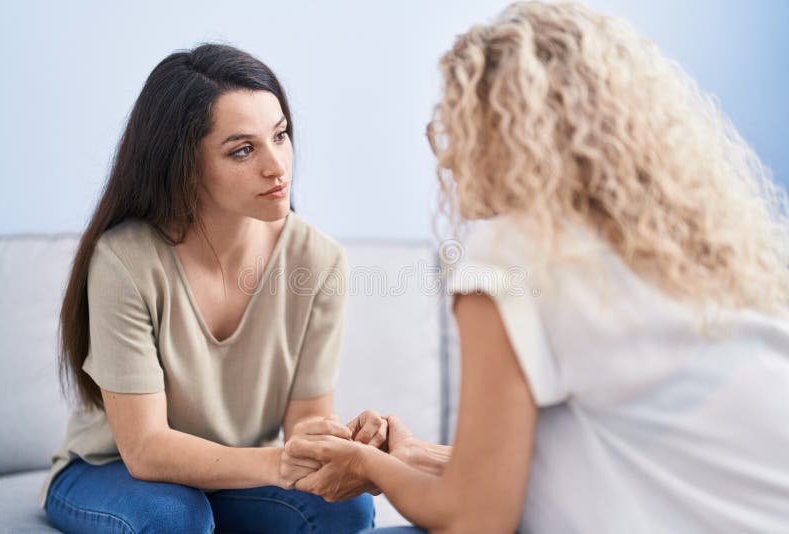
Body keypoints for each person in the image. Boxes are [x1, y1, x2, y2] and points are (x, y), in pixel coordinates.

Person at [285, 2, 789, 532]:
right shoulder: (686, 246)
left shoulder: (511, 254)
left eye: (459, 127)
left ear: (514, 136)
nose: (447, 159)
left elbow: (477, 520)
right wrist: (411, 456)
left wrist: (368, 466)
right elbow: (588, 463)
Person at [40, 43, 379, 533]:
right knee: (176, 516)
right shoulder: (125, 260)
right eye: (243, 149)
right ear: (184, 164)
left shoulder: (318, 261)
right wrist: (278, 465)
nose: (277, 166)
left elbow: (304, 421)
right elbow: (146, 450)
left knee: (346, 509)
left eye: (280, 135)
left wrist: (332, 445)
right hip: (109, 470)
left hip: (234, 476)